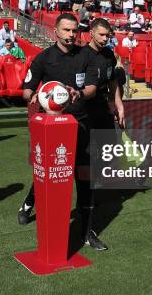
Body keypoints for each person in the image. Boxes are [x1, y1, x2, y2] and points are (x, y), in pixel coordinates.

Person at [18, 13, 104, 250]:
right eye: (66, 30)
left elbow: (91, 89)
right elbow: (26, 91)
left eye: (74, 30)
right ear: (55, 31)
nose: (71, 35)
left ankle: (87, 232)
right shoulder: (43, 59)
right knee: (50, 174)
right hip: (52, 128)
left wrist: (79, 93)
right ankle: (29, 203)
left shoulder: (88, 56)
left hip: (80, 124)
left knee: (85, 177)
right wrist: (35, 95)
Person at [79, 18, 126, 251]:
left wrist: (119, 105)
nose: (106, 39)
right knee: (67, 165)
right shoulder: (81, 56)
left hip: (102, 113)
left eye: (108, 35)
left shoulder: (109, 56)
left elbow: (113, 83)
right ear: (91, 34)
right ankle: (30, 202)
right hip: (80, 116)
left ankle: (88, 224)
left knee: (105, 157)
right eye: (102, 35)